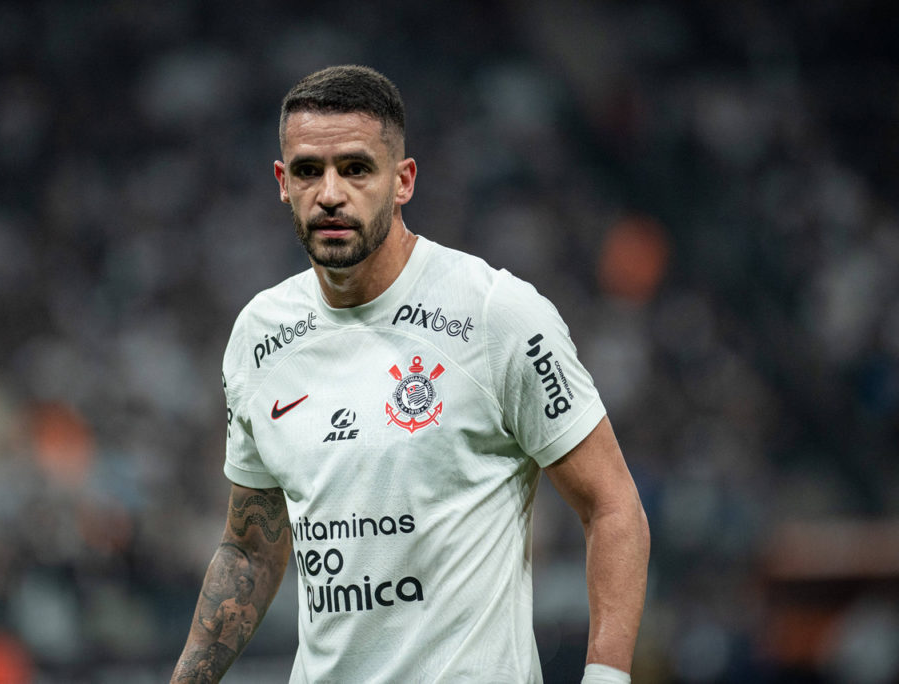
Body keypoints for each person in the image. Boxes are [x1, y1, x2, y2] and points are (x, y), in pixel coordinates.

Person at [171, 65, 650, 684]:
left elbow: (613, 506)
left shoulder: (495, 314)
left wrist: (607, 678)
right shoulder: (260, 336)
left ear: (404, 181)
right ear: (281, 183)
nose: (331, 193)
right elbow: (250, 547)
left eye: (356, 168)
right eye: (309, 171)